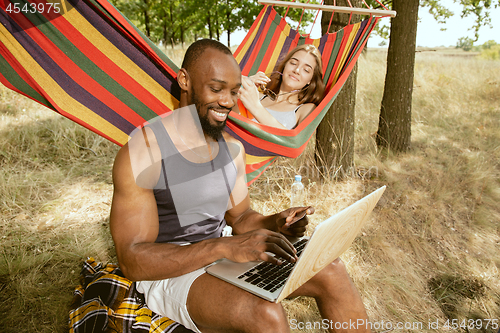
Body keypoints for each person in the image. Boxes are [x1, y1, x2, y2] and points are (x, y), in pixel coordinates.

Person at [110, 39, 369, 333]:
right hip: (171, 273)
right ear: (184, 80)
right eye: (216, 89)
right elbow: (132, 259)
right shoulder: (144, 151)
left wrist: (277, 223)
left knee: (331, 269)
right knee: (265, 313)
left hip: (221, 255)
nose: (227, 102)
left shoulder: (231, 149)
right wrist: (222, 246)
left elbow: (242, 218)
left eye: (233, 92)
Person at [238, 44, 325, 129]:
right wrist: (243, 84)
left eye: (306, 70)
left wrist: (256, 107)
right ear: (285, 66)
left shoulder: (306, 109)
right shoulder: (255, 97)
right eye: (293, 63)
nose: (297, 70)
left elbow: (293, 141)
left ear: (310, 80)